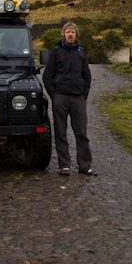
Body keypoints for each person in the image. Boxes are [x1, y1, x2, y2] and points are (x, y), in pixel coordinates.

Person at [42, 21, 95, 176]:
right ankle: (64, 165)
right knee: (61, 133)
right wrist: (55, 96)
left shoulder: (81, 52)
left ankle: (85, 166)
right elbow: (47, 77)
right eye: (67, 32)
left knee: (81, 133)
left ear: (76, 34)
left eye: (72, 32)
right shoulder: (56, 52)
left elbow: (87, 76)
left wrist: (84, 95)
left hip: (78, 98)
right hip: (61, 97)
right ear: (63, 34)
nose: (70, 34)